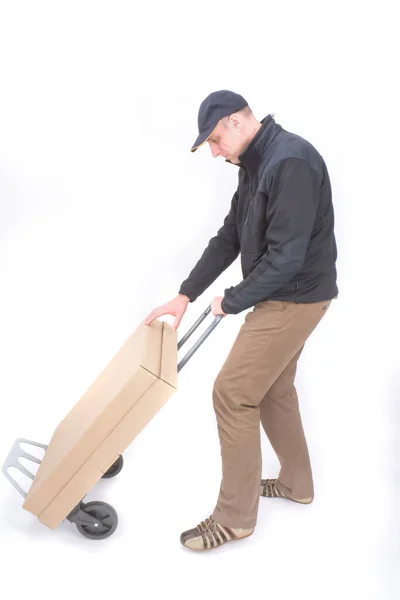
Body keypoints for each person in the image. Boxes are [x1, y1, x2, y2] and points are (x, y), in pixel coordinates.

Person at [144, 90, 338, 552]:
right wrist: (185, 295)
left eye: (214, 140)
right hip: (285, 293)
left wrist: (231, 300)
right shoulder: (255, 165)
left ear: (235, 122)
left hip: (294, 298)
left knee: (232, 393)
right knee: (272, 389)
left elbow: (287, 257)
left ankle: (234, 518)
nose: (214, 152)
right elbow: (230, 235)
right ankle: (297, 485)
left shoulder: (289, 162)